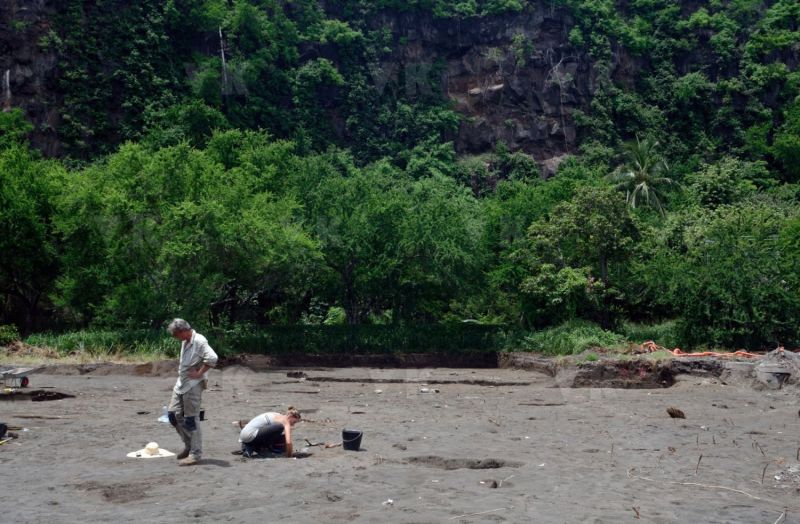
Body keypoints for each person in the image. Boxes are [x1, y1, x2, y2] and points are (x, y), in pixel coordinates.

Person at [166, 318, 218, 466]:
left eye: (176, 335)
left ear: (182, 331)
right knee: (173, 414)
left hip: (193, 385)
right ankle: (189, 445)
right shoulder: (185, 341)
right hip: (181, 383)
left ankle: (195, 453)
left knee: (191, 419)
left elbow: (213, 358)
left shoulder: (199, 341)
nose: (176, 338)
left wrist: (200, 373)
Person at [237, 407, 301, 458]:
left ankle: (249, 447)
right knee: (280, 427)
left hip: (244, 434)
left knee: (280, 435)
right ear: (290, 416)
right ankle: (264, 448)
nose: (293, 425)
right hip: (250, 435)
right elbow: (288, 442)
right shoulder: (285, 421)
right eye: (294, 422)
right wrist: (290, 456)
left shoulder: (277, 414)